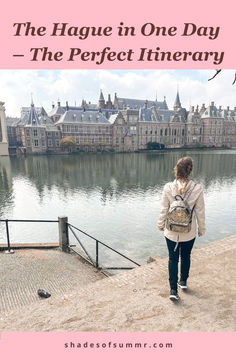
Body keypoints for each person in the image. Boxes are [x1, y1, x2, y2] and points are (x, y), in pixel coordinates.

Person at [158, 156, 205, 301]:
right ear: (190, 171)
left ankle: (173, 290)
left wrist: (160, 224)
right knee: (186, 257)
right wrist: (201, 229)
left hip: (171, 232)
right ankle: (183, 281)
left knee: (173, 259)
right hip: (188, 232)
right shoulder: (197, 189)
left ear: (176, 170)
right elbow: (200, 212)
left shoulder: (168, 188)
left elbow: (164, 209)